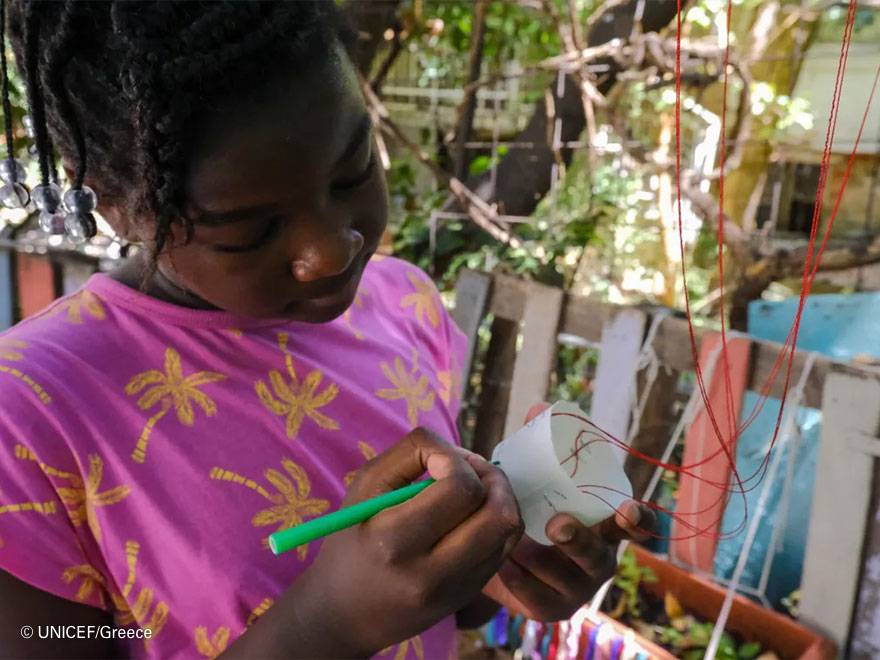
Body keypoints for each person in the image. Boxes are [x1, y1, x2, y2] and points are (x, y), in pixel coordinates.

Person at [0, 2, 647, 657]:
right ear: (110, 201)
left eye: (353, 171)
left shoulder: (404, 307)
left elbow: (437, 606)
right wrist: (327, 625)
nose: (334, 250)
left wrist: (502, 561)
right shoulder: (28, 415)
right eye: (249, 232)